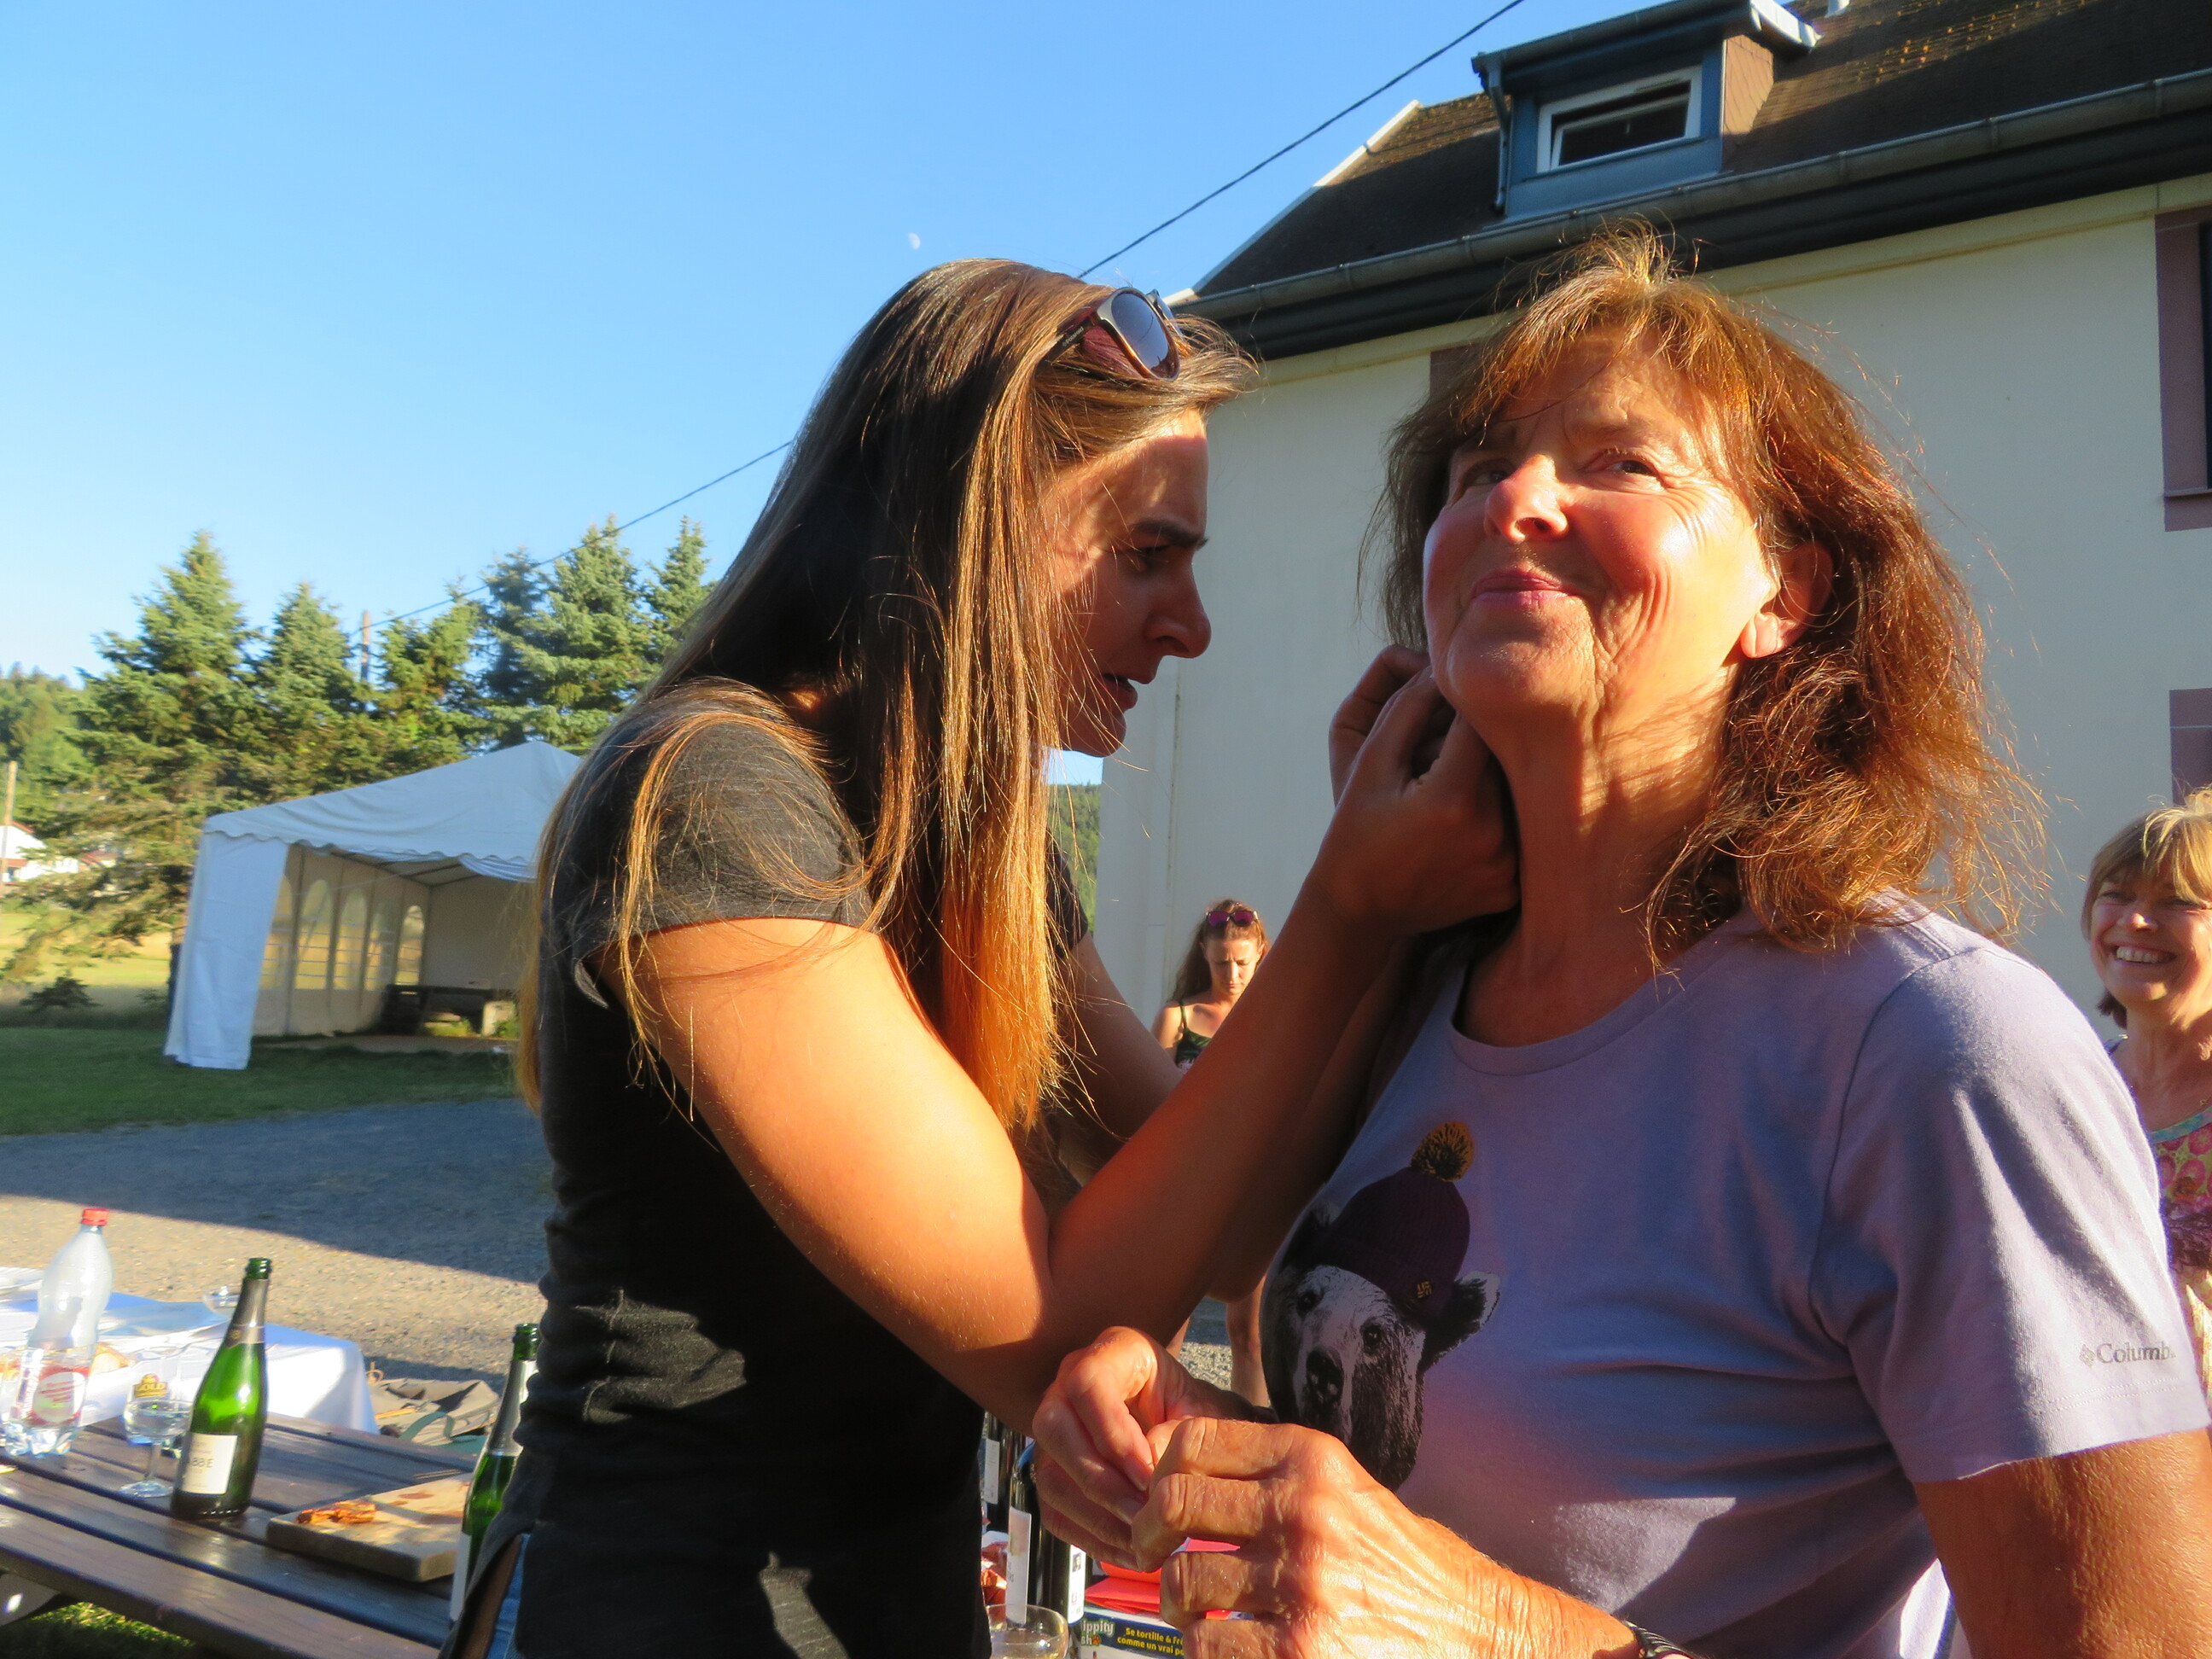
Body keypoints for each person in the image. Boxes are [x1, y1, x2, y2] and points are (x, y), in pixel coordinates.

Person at [1032, 231, 2212, 1659]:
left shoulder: (1932, 1054)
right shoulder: (1415, 996)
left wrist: (1487, 1630)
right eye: (1479, 470)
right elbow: (1402, 1514)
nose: (1514, 499)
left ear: (1783, 594)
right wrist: (1196, 1446)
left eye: (1619, 463)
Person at [446, 262, 1515, 1659]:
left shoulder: (975, 847)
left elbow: (1231, 1219)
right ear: (973, 519)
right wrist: (1348, 911)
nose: (1190, 624)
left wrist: (1396, 918)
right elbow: (1052, 1325)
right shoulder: (719, 792)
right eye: (1147, 554)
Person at [2085, 789, 2212, 1403]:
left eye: (2177, 901)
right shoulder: (2065, 1087)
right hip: (2091, 1434)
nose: (2135, 921)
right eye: (2117, 894)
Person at [1154, 900, 1272, 1404]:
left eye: (1242, 962)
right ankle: (1152, 1432)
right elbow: (1149, 1106)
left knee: (1249, 1337)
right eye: (1222, 962)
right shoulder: (1177, 1019)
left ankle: (1252, 1434)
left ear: (1260, 953)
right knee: (1166, 1333)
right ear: (1203, 953)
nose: (1232, 975)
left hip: (1254, 1189)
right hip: (1188, 1188)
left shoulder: (1274, 1017)